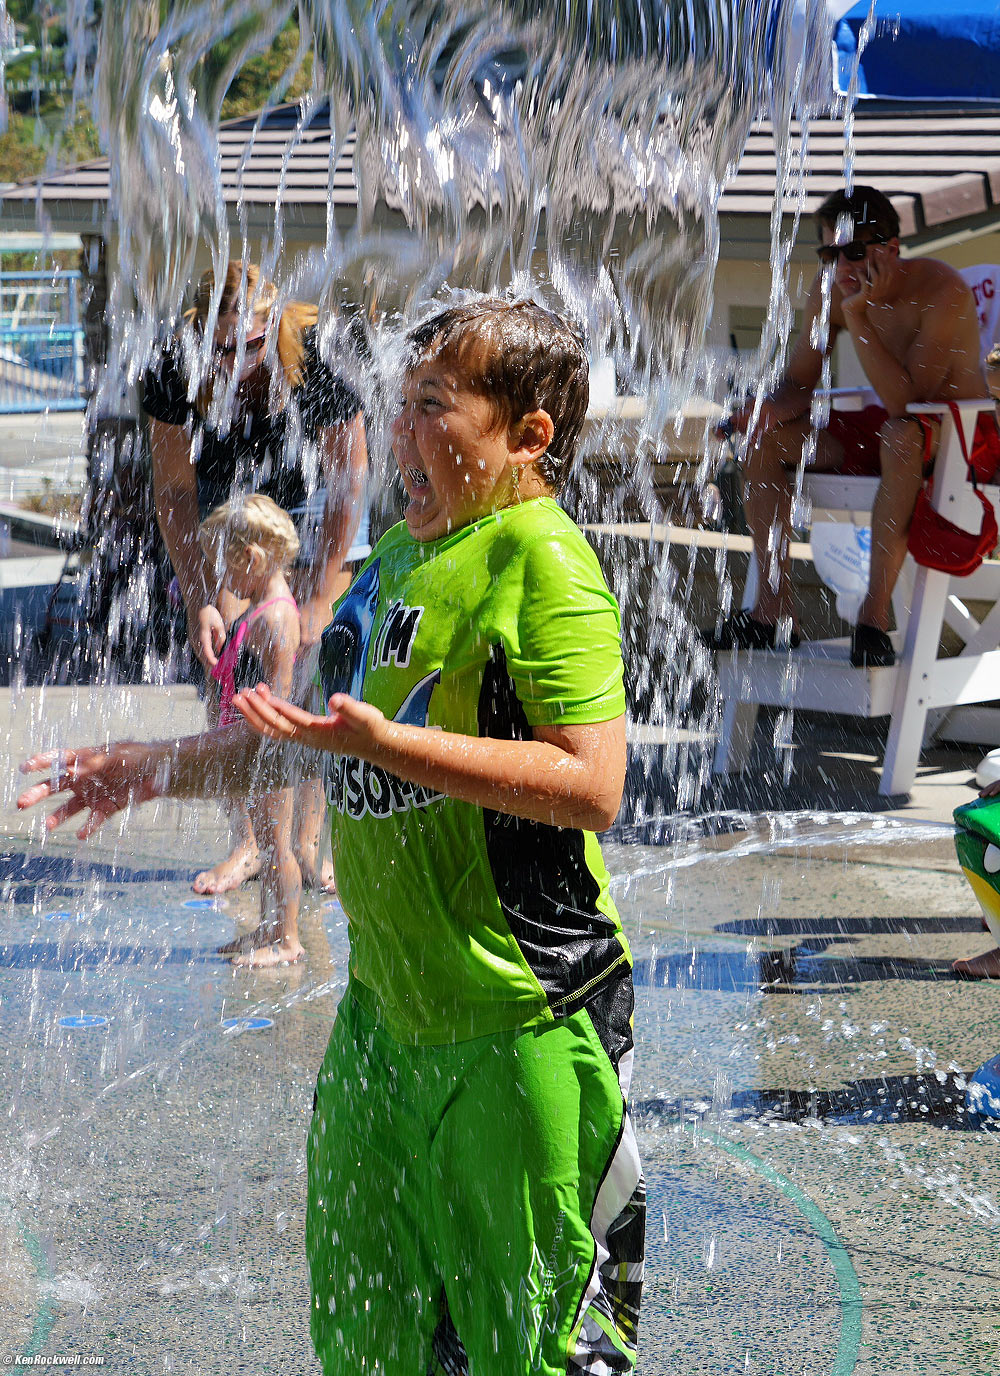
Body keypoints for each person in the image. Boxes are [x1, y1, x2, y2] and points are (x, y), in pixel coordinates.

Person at [19, 297, 644, 1375]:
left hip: (520, 1023)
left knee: (528, 1345)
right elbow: (310, 739)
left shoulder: (544, 563)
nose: (399, 433)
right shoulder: (398, 561)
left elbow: (591, 784)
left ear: (528, 435)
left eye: (433, 407)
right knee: (370, 1333)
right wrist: (153, 768)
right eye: (399, 405)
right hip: (381, 1023)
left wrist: (395, 746)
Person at [144, 260, 368, 893]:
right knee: (228, 671)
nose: (238, 360)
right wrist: (198, 599)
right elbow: (174, 493)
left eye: (250, 344)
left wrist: (322, 592)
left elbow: (349, 479)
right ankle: (249, 843)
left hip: (312, 505)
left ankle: (304, 845)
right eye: (223, 347)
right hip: (225, 504)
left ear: (271, 325)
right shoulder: (174, 366)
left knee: (312, 670)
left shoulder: (316, 355)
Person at [706, 185, 1000, 667]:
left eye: (855, 252)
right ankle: (773, 611)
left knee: (902, 436)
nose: (841, 265)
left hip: (961, 440)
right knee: (766, 441)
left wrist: (858, 314)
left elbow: (910, 405)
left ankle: (874, 617)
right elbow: (800, 381)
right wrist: (764, 410)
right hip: (889, 430)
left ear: (891, 249)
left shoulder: (940, 291)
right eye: (829, 252)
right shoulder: (829, 290)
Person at [199, 494, 304, 968]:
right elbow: (235, 667)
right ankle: (268, 926)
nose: (222, 580)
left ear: (253, 558)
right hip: (254, 747)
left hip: (271, 751)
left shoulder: (277, 617)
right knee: (265, 842)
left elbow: (280, 697)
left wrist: (259, 752)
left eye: (226, 567)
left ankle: (288, 939)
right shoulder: (257, 611)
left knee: (278, 845)